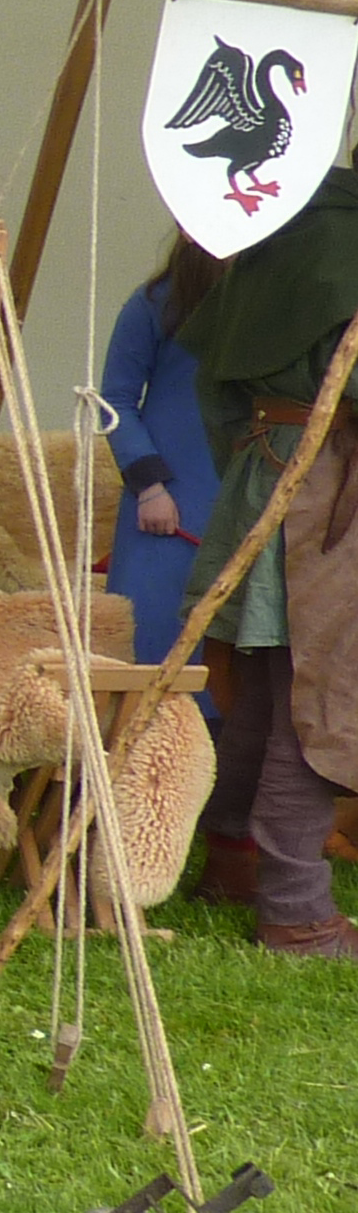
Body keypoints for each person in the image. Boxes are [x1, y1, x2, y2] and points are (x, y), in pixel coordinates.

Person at [176, 161, 358, 959]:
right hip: (327, 491)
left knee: (264, 692)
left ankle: (233, 858)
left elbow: (214, 386)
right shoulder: (342, 238)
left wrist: (259, 468)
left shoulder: (288, 226)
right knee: (314, 694)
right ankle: (295, 908)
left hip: (265, 472)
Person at [101, 233, 254, 899]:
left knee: (238, 684)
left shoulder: (269, 306)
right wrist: (151, 484)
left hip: (245, 508)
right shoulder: (154, 304)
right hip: (163, 517)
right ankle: (133, 845)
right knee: (154, 674)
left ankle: (227, 855)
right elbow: (113, 400)